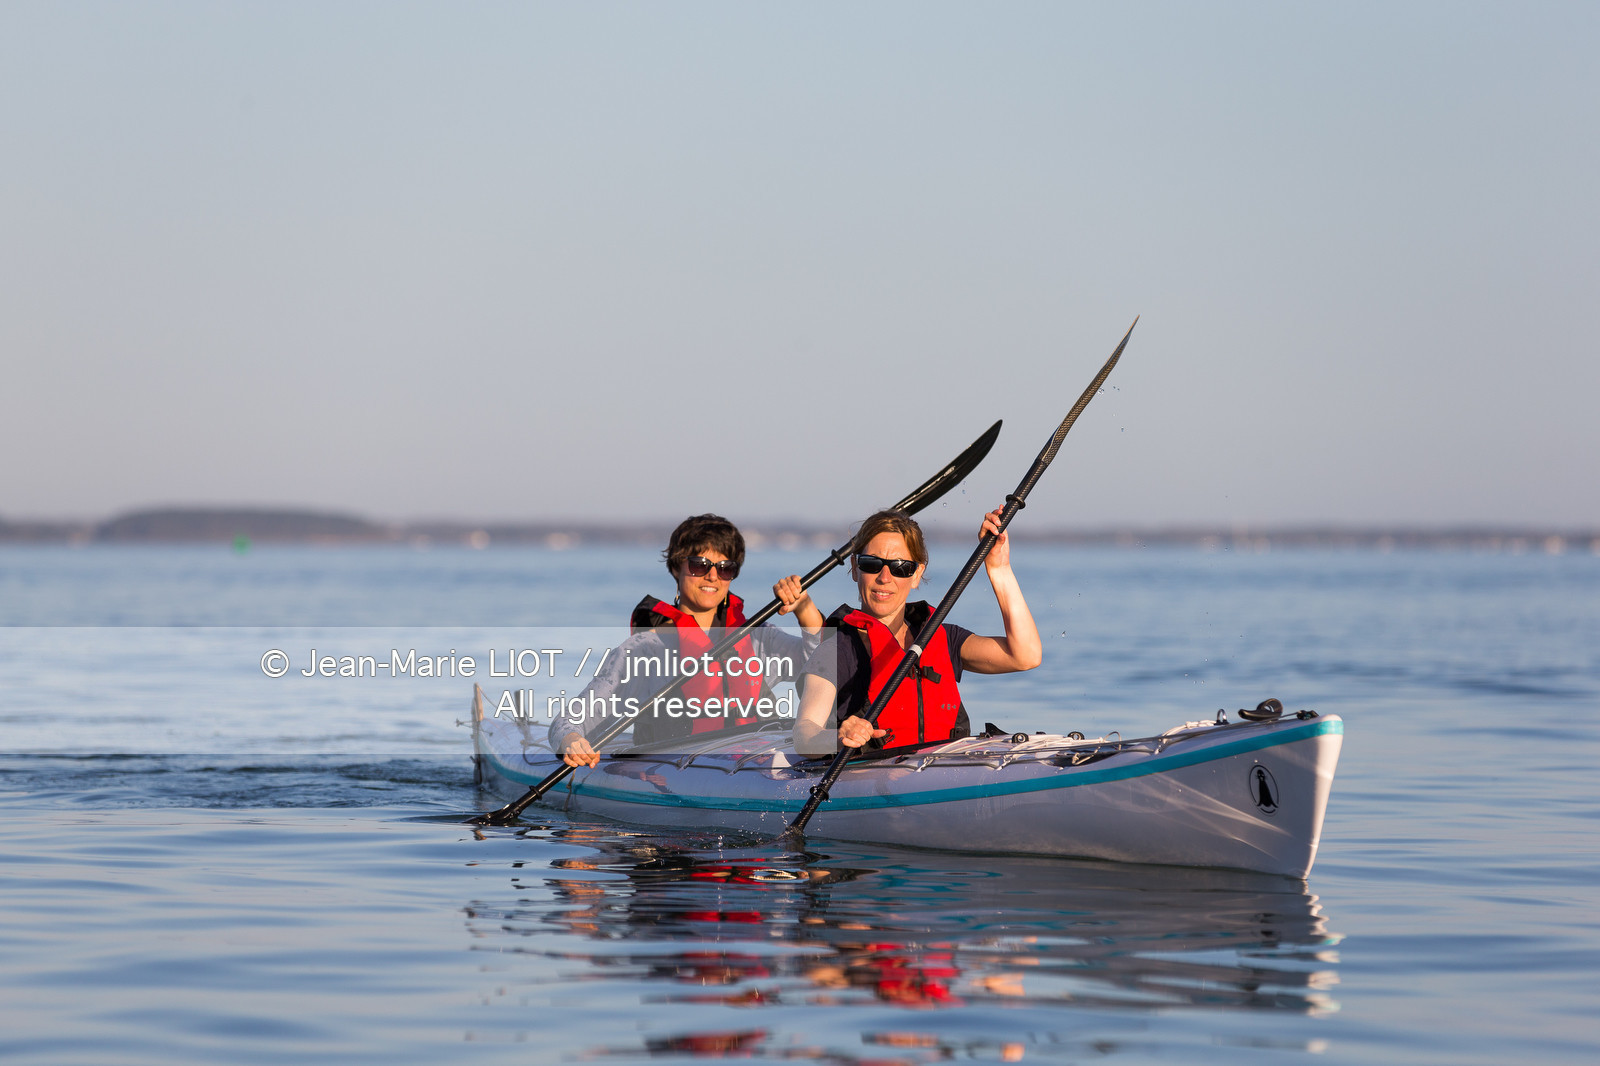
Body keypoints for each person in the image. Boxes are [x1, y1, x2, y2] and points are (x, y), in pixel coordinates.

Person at [553, 514, 824, 767]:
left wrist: (804, 609)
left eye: (725, 568)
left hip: (755, 764)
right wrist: (572, 741)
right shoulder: (645, 650)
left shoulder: (758, 638)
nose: (712, 576)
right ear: (676, 567)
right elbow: (569, 721)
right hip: (676, 772)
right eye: (699, 565)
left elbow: (822, 667)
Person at [793, 507, 1041, 757]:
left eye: (900, 567)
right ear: (856, 568)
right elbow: (804, 736)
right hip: (874, 775)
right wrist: (839, 736)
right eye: (872, 564)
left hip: (946, 769)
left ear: (916, 574)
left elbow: (1025, 656)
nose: (884, 578)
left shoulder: (944, 638)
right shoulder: (837, 650)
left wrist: (999, 568)